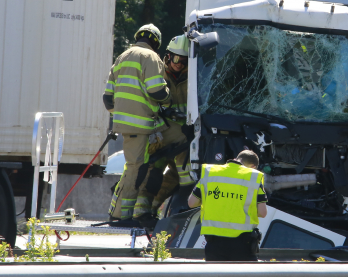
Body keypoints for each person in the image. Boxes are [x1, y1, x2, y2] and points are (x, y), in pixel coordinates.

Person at [103, 24, 170, 221]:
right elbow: (156, 90)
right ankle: (124, 216)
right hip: (140, 126)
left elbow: (108, 99)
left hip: (124, 125)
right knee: (136, 168)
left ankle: (123, 213)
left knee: (133, 166)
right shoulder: (150, 57)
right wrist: (169, 99)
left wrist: (123, 114)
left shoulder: (121, 57)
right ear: (155, 42)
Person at [139, 35, 193, 218]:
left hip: (183, 137)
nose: (179, 64)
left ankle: (154, 207)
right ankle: (141, 212)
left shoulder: (193, 78)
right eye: (176, 59)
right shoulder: (157, 73)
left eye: (184, 61)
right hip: (160, 133)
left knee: (180, 174)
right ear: (168, 56)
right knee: (151, 171)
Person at [188, 150, 268, 261]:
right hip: (242, 245)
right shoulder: (253, 177)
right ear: (253, 166)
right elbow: (262, 213)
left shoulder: (211, 172)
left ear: (237, 158)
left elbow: (192, 203)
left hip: (214, 245)